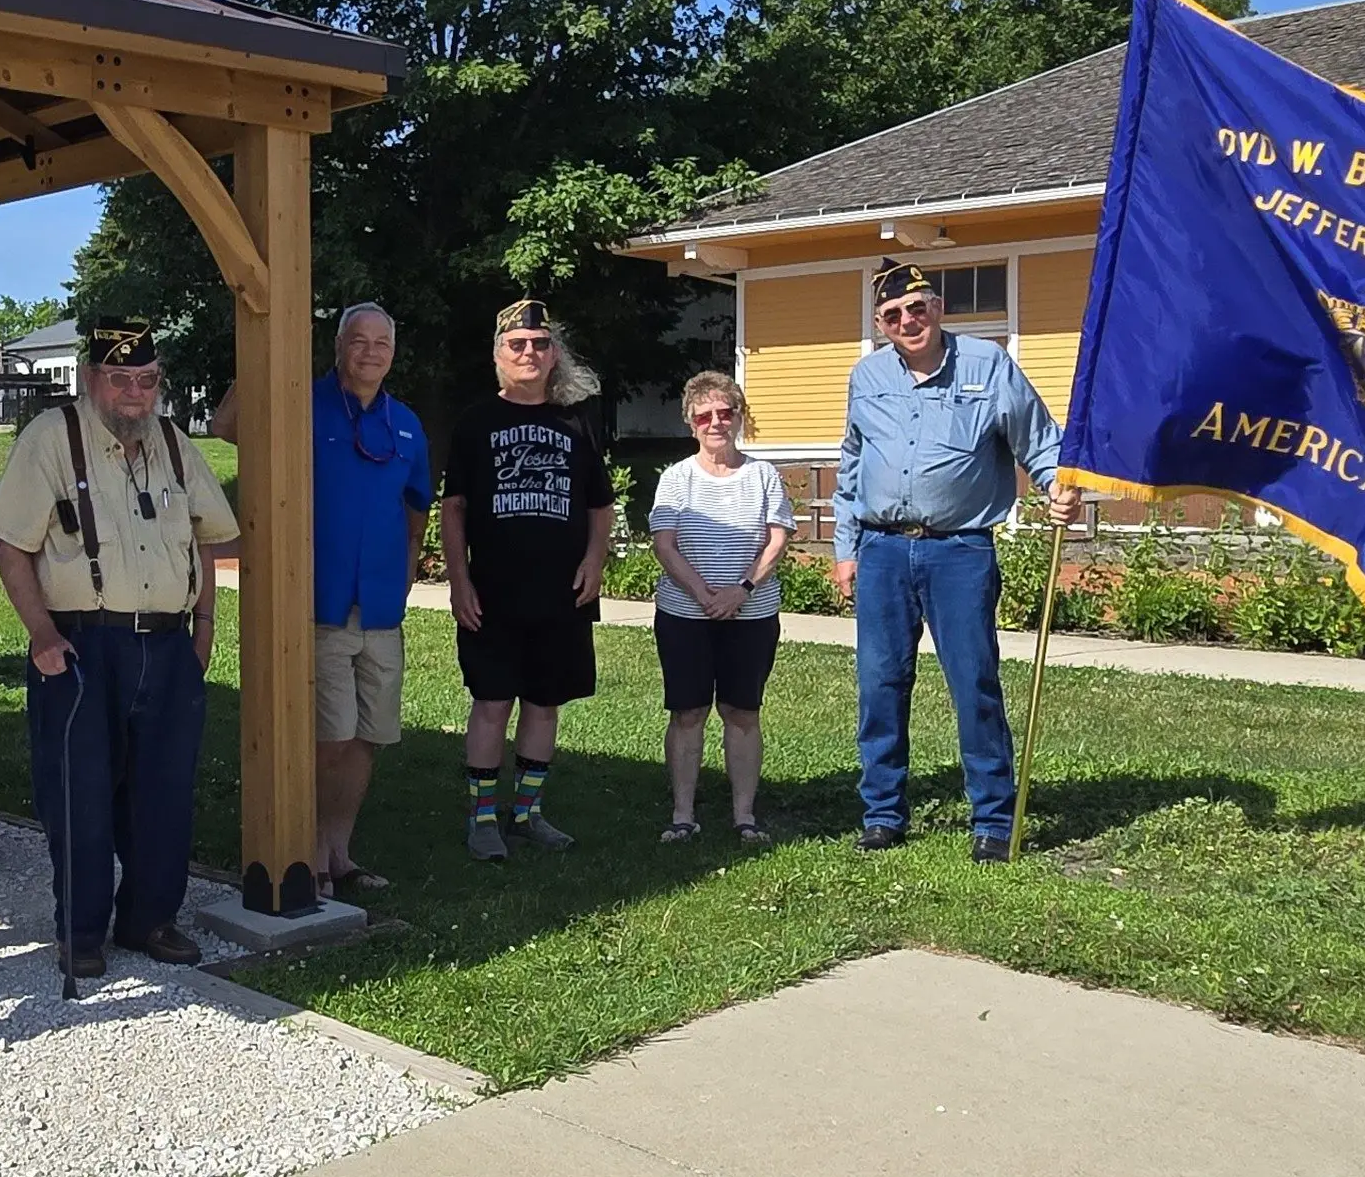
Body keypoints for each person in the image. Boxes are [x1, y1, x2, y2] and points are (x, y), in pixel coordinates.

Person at [0, 318, 238, 974]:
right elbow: (10, 543)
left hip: (165, 642)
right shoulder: (51, 438)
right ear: (91, 378)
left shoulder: (176, 444)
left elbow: (208, 535)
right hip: (79, 643)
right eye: (120, 378)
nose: (134, 392)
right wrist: (41, 634)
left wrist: (204, 628)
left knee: (164, 790)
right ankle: (81, 929)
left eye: (146, 379)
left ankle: (150, 918)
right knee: (79, 791)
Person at [830, 261, 1084, 862]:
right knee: (880, 685)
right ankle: (883, 812)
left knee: (973, 684)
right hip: (882, 549)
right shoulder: (866, 377)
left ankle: (993, 818)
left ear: (938, 308)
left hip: (960, 552)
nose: (908, 321)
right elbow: (850, 466)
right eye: (894, 315)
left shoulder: (987, 364)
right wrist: (845, 549)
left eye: (917, 308)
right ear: (880, 324)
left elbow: (1039, 441)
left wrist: (1057, 486)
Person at [442, 299, 612, 862]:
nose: (530, 353)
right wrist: (459, 581)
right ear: (499, 355)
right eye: (518, 345)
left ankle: (528, 813)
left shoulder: (579, 420)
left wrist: (595, 559)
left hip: (563, 593)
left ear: (554, 353)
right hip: (493, 592)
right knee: (492, 702)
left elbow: (600, 505)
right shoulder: (475, 423)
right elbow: (456, 508)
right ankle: (482, 818)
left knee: (545, 703)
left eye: (540, 344)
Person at [311, 303, 432, 895]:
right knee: (327, 737)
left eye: (381, 342)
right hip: (323, 605)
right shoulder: (303, 404)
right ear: (338, 346)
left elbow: (417, 508)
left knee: (366, 737)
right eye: (358, 341)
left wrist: (407, 572)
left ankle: (339, 852)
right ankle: (304, 855)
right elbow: (230, 426)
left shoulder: (405, 421)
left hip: (382, 611)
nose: (370, 352)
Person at [647, 372, 794, 846]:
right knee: (688, 712)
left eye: (725, 413)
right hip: (685, 616)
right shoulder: (676, 478)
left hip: (750, 615)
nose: (716, 423)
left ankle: (744, 816)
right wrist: (703, 594)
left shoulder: (763, 475)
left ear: (739, 418)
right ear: (692, 423)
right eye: (705, 415)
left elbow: (778, 538)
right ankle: (683, 815)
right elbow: (665, 545)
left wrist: (741, 590)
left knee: (742, 711)